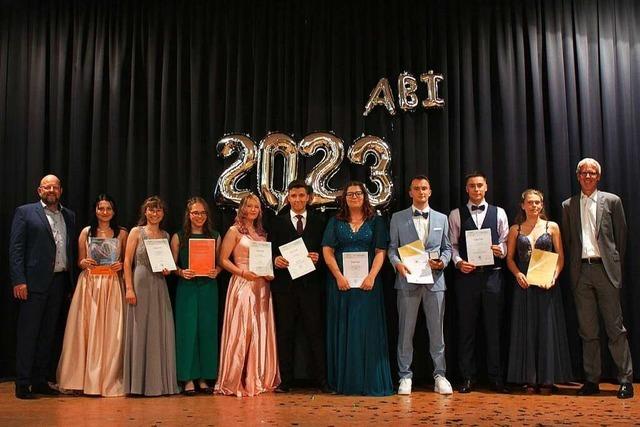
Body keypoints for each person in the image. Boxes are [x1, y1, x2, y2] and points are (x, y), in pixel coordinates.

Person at [562, 158, 634, 399]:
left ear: (599, 177)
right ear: (577, 176)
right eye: (584, 173)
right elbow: (570, 241)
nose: (588, 176)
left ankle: (625, 380)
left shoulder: (612, 201)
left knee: (615, 328)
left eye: (592, 173)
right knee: (588, 331)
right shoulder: (568, 205)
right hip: (581, 272)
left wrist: (613, 266)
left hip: (605, 271)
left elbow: (620, 239)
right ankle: (592, 380)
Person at [322, 181, 393, 396]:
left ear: (364, 196)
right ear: (344, 198)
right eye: (350, 194)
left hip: (367, 285)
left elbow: (381, 251)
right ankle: (345, 381)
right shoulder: (335, 222)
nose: (354, 197)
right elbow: (327, 250)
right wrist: (338, 276)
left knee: (366, 330)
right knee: (345, 328)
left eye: (358, 193)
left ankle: (370, 381)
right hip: (342, 285)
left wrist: (371, 276)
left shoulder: (376, 222)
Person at [9, 174, 77, 399]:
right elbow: (16, 249)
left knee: (48, 334)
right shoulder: (25, 212)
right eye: (46, 187)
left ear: (60, 191)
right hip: (32, 284)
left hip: (59, 282)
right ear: (39, 191)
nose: (51, 190)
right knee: (28, 334)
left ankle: (40, 381)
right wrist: (19, 280)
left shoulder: (69, 215)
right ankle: (22, 383)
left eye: (55, 187)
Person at [56, 194, 128, 396]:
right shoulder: (86, 233)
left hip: (112, 285)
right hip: (90, 285)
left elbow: (126, 262)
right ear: (95, 210)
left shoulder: (122, 233)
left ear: (114, 211)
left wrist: (120, 265)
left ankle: (107, 378)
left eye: (108, 209)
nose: (104, 212)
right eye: (101, 208)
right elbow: (79, 261)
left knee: (111, 332)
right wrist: (84, 263)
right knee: (86, 330)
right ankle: (82, 380)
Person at [388, 175, 453, 395]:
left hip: (435, 283)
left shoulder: (442, 218)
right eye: (416, 188)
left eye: (424, 188)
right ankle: (405, 376)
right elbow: (392, 249)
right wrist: (397, 265)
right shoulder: (397, 218)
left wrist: (442, 262)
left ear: (430, 191)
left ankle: (440, 375)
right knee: (406, 332)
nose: (421, 192)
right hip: (407, 282)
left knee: (437, 332)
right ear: (410, 192)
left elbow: (447, 248)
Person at [448, 171, 510, 393]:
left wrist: (500, 250)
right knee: (466, 329)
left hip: (493, 276)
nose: (476, 189)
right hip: (466, 278)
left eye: (479, 185)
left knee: (494, 329)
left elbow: (506, 242)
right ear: (466, 189)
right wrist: (458, 262)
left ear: (486, 188)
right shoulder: (456, 214)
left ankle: (496, 378)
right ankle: (467, 377)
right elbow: (452, 246)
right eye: (472, 186)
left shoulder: (499, 213)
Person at [505, 189, 572, 394]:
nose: (534, 206)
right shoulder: (515, 229)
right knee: (526, 329)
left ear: (542, 205)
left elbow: (560, 256)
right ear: (522, 205)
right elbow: (509, 258)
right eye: (530, 202)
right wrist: (517, 274)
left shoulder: (552, 227)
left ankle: (547, 378)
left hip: (546, 285)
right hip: (524, 284)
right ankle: (529, 378)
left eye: (537, 203)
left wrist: (554, 276)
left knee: (546, 329)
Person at [215, 194, 280, 396]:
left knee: (260, 331)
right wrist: (242, 272)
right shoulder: (234, 231)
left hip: (262, 286)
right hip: (243, 282)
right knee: (243, 330)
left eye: (256, 207)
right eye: (249, 206)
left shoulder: (262, 233)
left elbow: (266, 260)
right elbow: (223, 260)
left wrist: (269, 273)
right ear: (242, 209)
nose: (253, 210)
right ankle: (236, 378)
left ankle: (257, 376)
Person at [269, 180, 329, 393]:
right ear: (288, 198)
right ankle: (286, 381)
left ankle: (322, 380)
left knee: (315, 333)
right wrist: (275, 260)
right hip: (285, 288)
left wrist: (318, 258)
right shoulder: (277, 222)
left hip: (312, 287)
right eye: (293, 196)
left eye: (301, 195)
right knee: (285, 334)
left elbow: (328, 252)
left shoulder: (321, 221)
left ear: (309, 197)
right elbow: (270, 252)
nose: (297, 200)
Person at [122, 196, 179, 396]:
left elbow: (170, 264)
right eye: (151, 210)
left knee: (159, 329)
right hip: (140, 281)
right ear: (144, 212)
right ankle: (138, 384)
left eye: (159, 210)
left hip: (159, 284)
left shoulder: (165, 234)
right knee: (140, 330)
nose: (155, 214)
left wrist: (167, 270)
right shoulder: (136, 232)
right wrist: (129, 287)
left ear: (163, 214)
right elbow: (127, 261)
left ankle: (158, 383)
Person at [170, 197, 222, 395]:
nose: (199, 216)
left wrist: (217, 271)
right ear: (188, 215)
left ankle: (203, 377)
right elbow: (172, 264)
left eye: (202, 213)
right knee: (188, 331)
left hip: (209, 288)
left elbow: (220, 262)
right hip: (187, 288)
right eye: (195, 213)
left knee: (206, 331)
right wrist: (180, 272)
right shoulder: (179, 237)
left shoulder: (215, 236)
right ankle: (188, 378)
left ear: (207, 215)